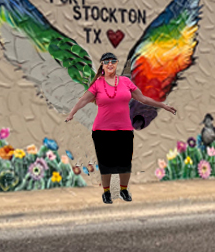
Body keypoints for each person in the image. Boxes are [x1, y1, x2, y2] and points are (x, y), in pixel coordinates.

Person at [64, 52, 176, 204]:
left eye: (113, 61)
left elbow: (142, 98)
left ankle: (123, 190)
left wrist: (162, 105)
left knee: (124, 163)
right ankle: (106, 192)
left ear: (116, 64)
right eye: (106, 62)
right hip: (102, 131)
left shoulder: (125, 81)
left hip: (124, 129)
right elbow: (84, 99)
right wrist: (72, 113)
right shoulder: (98, 83)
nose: (110, 64)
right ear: (102, 65)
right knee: (106, 164)